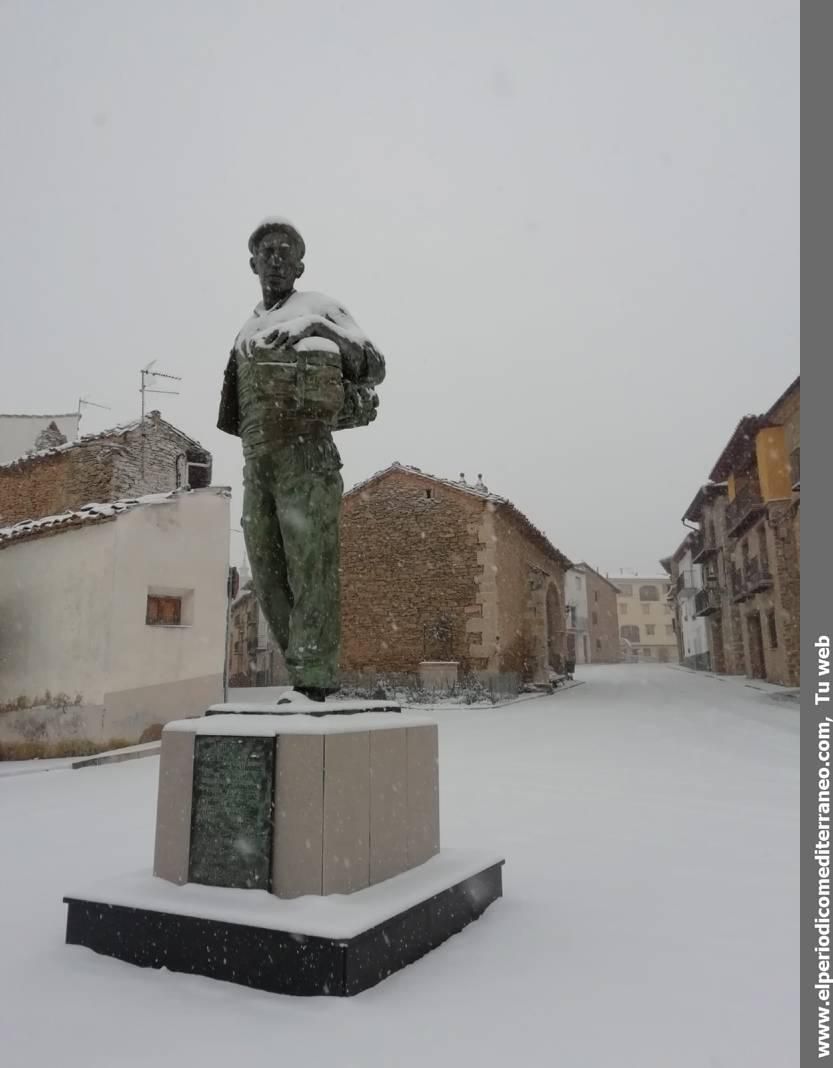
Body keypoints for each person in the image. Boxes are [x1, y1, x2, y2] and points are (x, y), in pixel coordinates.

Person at [218, 218, 385, 700]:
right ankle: (302, 668)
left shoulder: (319, 308)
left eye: (284, 251)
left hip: (306, 457)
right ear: (253, 263)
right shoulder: (248, 328)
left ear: (299, 264)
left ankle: (315, 676)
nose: (275, 258)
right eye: (267, 251)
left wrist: (319, 329)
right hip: (258, 462)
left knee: (311, 566)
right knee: (266, 571)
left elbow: (374, 365)